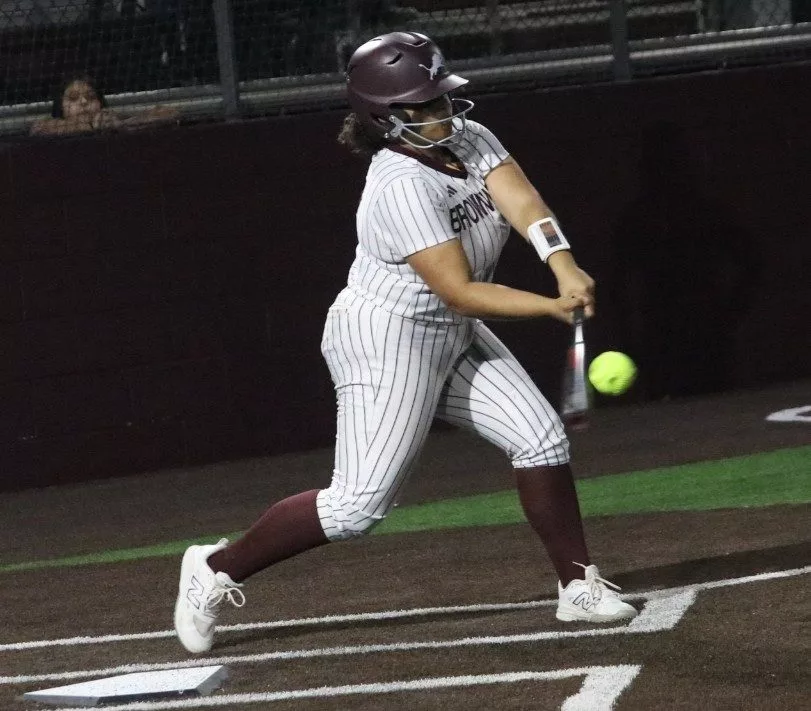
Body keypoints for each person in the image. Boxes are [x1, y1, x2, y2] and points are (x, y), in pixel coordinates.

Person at [173, 31, 637, 655]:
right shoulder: (399, 184)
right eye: (425, 104)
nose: (443, 111)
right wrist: (550, 305)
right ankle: (214, 569)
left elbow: (522, 199)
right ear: (384, 118)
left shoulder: (467, 137)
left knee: (540, 438)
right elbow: (460, 292)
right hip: (387, 340)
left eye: (441, 96)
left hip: (448, 332)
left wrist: (562, 262)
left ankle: (577, 586)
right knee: (355, 509)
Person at [29, 75, 180, 137]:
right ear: (60, 106)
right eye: (73, 98)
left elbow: (170, 113)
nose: (83, 102)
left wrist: (122, 124)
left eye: (91, 97)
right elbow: (37, 129)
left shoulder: (111, 120)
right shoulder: (50, 125)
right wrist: (88, 126)